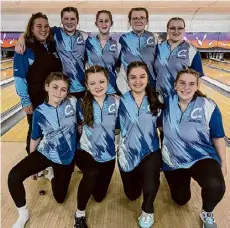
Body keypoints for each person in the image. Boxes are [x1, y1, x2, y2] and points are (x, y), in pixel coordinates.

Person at [8, 72, 77, 228]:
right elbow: (35, 138)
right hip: (46, 152)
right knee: (14, 176)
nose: (59, 92)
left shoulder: (73, 103)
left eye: (63, 89)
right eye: (55, 87)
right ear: (47, 87)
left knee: (60, 198)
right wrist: (33, 165)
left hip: (66, 157)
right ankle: (23, 213)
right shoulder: (40, 111)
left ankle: (51, 175)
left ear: (68, 92)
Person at [162, 68, 226, 228]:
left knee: (216, 186)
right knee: (180, 200)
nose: (186, 87)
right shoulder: (166, 103)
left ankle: (207, 213)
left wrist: (223, 163)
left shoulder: (208, 106)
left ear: (197, 86)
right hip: (173, 160)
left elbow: (218, 137)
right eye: (182, 83)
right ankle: (181, 177)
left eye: (192, 84)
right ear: (175, 85)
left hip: (201, 156)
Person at [117, 61, 163, 228]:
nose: (138, 81)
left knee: (151, 182)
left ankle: (147, 210)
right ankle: (139, 181)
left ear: (147, 77)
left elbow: (164, 126)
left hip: (150, 150)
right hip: (126, 152)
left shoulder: (157, 99)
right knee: (131, 195)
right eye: (133, 77)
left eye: (142, 76)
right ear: (127, 80)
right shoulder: (120, 101)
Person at [74, 65, 119, 228]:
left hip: (108, 155)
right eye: (92, 83)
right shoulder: (79, 103)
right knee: (91, 173)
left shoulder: (116, 101)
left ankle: (89, 181)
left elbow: (121, 126)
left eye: (101, 81)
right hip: (86, 152)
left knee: (99, 196)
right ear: (86, 85)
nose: (98, 86)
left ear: (108, 82)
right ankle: (79, 214)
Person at [13, 12, 62, 154]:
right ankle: (33, 162)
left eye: (46, 26)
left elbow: (59, 28)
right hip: (36, 98)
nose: (43, 29)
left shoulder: (51, 44)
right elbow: (19, 77)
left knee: (52, 129)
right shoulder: (25, 49)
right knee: (35, 130)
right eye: (39, 26)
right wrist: (25, 100)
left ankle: (50, 159)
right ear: (32, 29)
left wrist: (21, 35)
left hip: (54, 98)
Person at [15, 6, 88, 98]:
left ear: (77, 20)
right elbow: (36, 31)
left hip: (82, 87)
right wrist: (22, 38)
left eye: (72, 19)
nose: (69, 22)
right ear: (61, 20)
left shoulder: (84, 37)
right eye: (66, 18)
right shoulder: (56, 32)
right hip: (62, 89)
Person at [154, 17, 204, 102]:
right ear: (167, 30)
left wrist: (192, 100)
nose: (176, 31)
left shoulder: (192, 51)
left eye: (180, 28)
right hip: (159, 99)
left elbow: (197, 79)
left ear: (184, 30)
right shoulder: (157, 49)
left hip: (181, 99)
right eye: (172, 28)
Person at [117, 7, 157, 94]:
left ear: (147, 21)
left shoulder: (153, 37)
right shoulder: (123, 38)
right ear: (130, 22)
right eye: (135, 18)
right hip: (129, 85)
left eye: (142, 18)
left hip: (150, 85)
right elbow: (118, 64)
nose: (138, 20)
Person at [85, 10, 121, 95]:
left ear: (111, 23)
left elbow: (119, 69)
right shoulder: (88, 43)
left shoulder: (117, 45)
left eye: (106, 21)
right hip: (94, 89)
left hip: (111, 89)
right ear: (96, 23)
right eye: (100, 21)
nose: (104, 24)